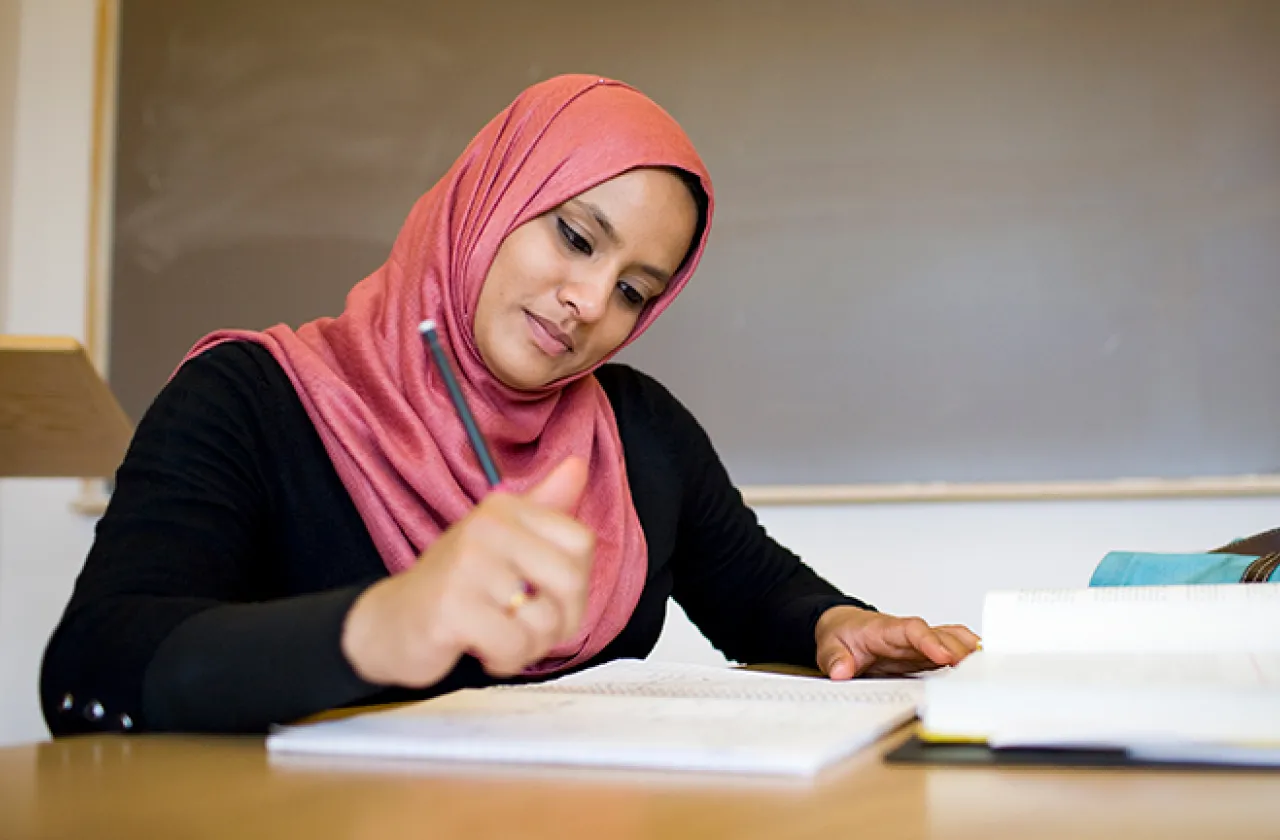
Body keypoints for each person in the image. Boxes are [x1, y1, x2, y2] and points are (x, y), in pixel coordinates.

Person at [39, 74, 979, 737]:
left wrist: (832, 626)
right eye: (575, 236)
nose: (589, 303)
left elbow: (756, 588)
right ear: (488, 197)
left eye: (634, 290)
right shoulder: (247, 399)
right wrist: (388, 624)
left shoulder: (636, 429)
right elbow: (90, 675)